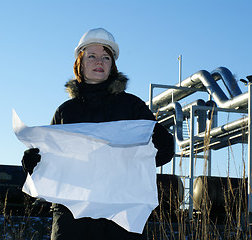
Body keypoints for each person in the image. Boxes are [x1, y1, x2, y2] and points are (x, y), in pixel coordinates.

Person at [22, 28, 174, 240]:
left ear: (112, 66)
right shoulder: (66, 111)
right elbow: (50, 167)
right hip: (73, 218)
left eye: (105, 57)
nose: (99, 62)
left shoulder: (132, 107)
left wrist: (159, 138)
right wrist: (34, 164)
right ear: (80, 64)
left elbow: (163, 154)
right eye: (92, 56)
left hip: (120, 217)